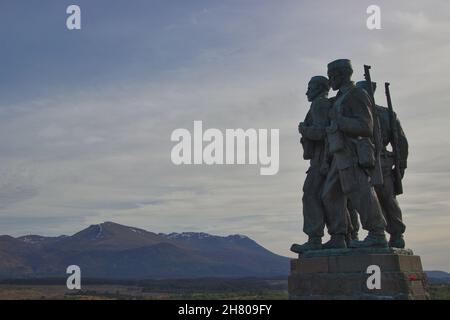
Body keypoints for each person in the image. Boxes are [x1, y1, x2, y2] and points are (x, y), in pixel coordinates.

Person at [321, 59, 387, 249]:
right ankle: (339, 236)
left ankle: (377, 232)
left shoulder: (356, 94)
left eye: (332, 76)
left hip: (353, 152)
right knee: (330, 194)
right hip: (338, 153)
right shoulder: (340, 98)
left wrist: (340, 120)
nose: (330, 80)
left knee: (360, 191)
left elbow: (366, 126)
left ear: (341, 75)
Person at [355, 80, 408, 248]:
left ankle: (396, 234)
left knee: (386, 197)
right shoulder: (358, 113)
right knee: (362, 199)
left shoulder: (385, 114)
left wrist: (400, 166)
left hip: (381, 160)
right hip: (360, 160)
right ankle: (372, 233)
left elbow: (400, 142)